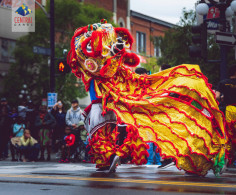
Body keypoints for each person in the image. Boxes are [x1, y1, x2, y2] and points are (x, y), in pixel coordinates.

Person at [67, 20, 226, 176]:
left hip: (102, 109)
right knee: (107, 135)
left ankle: (109, 158)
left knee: (101, 137)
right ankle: (113, 157)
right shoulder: (106, 74)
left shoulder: (106, 75)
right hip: (110, 110)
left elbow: (92, 66)